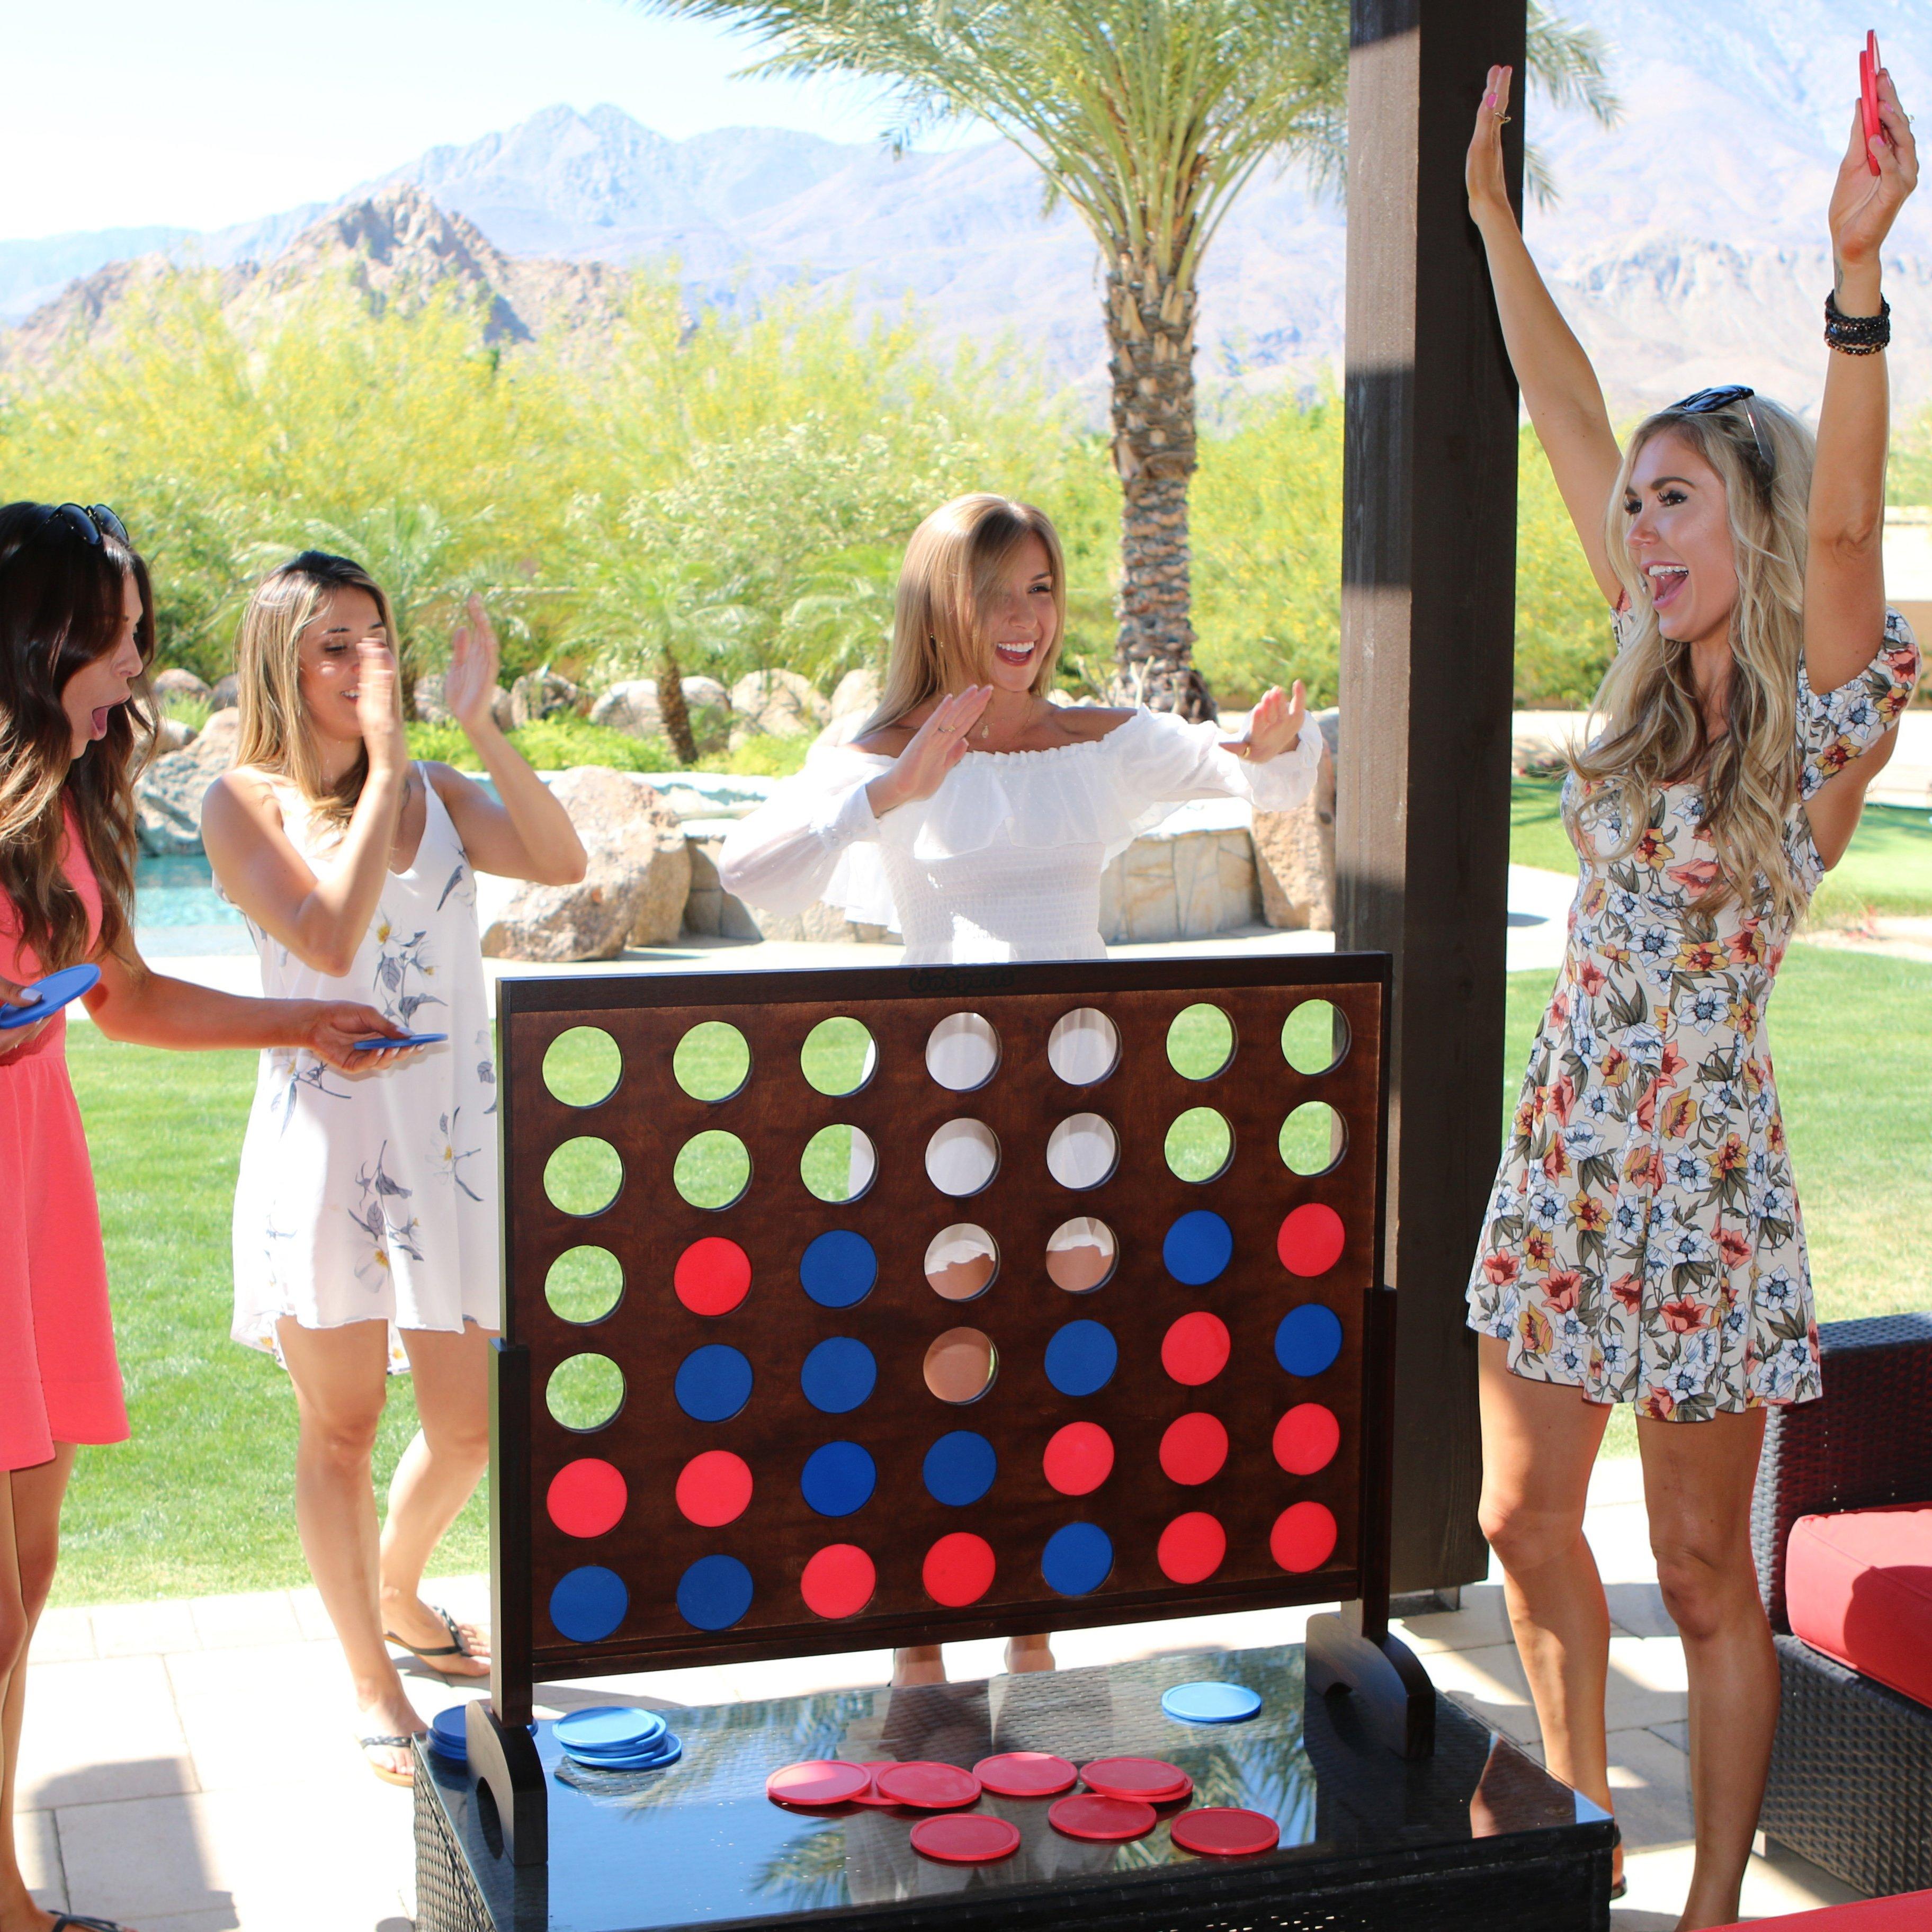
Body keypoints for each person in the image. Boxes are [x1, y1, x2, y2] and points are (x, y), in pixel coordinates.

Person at [1462, 63, 1918, 1930]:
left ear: (1738, 517)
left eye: (1672, 501)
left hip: (1700, 1182)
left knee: (1697, 1568)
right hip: (1564, 1144)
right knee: (1513, 1514)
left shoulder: (1814, 713)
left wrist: (1849, 276)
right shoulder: (1643, 661)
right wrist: (1496, 227)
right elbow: (1555, 404)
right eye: (1632, 504)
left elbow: (1836, 538)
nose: (1636, 527)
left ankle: (1711, 1904)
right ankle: (1579, 1833)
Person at [721, 493, 1323, 1684]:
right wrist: (887, 795)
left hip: (1077, 1112)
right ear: (938, 601)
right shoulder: (881, 751)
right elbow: (753, 876)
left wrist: (1270, 746)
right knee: (941, 1390)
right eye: (995, 590)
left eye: (1041, 589)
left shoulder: (1105, 740)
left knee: (1057, 1390)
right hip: (935, 1116)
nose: (1022, 617)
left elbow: (1273, 788)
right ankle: (920, 1655)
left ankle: (1035, 1647)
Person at [0, 503, 405, 1932]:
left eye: (139, 635)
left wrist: (307, 1017)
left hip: (32, 1172)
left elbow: (126, 998)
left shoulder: (66, 790)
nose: (136, 666)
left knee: (31, 1567)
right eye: (111, 637)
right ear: (33, 634)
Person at [201, 555, 585, 1785]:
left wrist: (474, 726)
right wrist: (379, 773)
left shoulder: (434, 786)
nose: (367, 664)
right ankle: (373, 1679)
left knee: (468, 1432)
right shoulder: (240, 802)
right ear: (279, 661)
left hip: (448, 1152)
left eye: (377, 639)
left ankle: (399, 1593)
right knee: (346, 1426)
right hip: (327, 1153)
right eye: (333, 644)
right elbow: (327, 930)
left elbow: (560, 858)